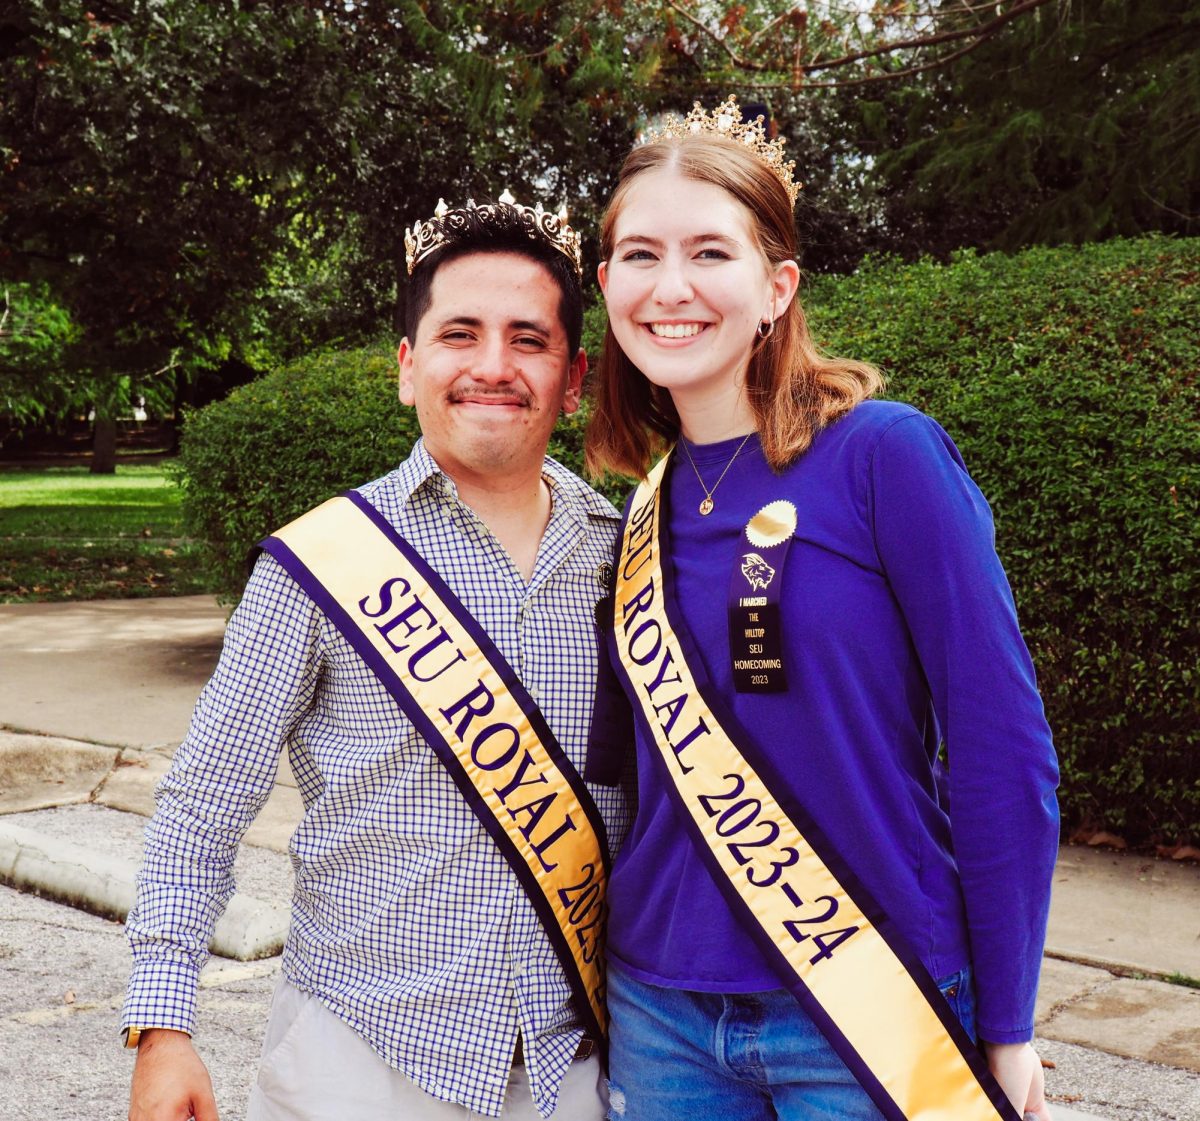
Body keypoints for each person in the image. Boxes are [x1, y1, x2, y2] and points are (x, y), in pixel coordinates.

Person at [584, 97, 1060, 1121]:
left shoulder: (884, 455)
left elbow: (1001, 743)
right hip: (662, 1013)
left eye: (710, 251)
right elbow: (627, 786)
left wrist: (1010, 1022)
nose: (671, 287)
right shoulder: (635, 512)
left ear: (776, 284)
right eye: (639, 255)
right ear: (607, 285)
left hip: (872, 1000)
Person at [122, 195, 630, 1121]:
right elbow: (203, 800)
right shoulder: (320, 564)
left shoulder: (633, 555)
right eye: (459, 334)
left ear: (575, 377)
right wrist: (165, 1025)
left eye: (528, 339)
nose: (491, 366)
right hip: (358, 1059)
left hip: (575, 1068)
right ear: (407, 367)